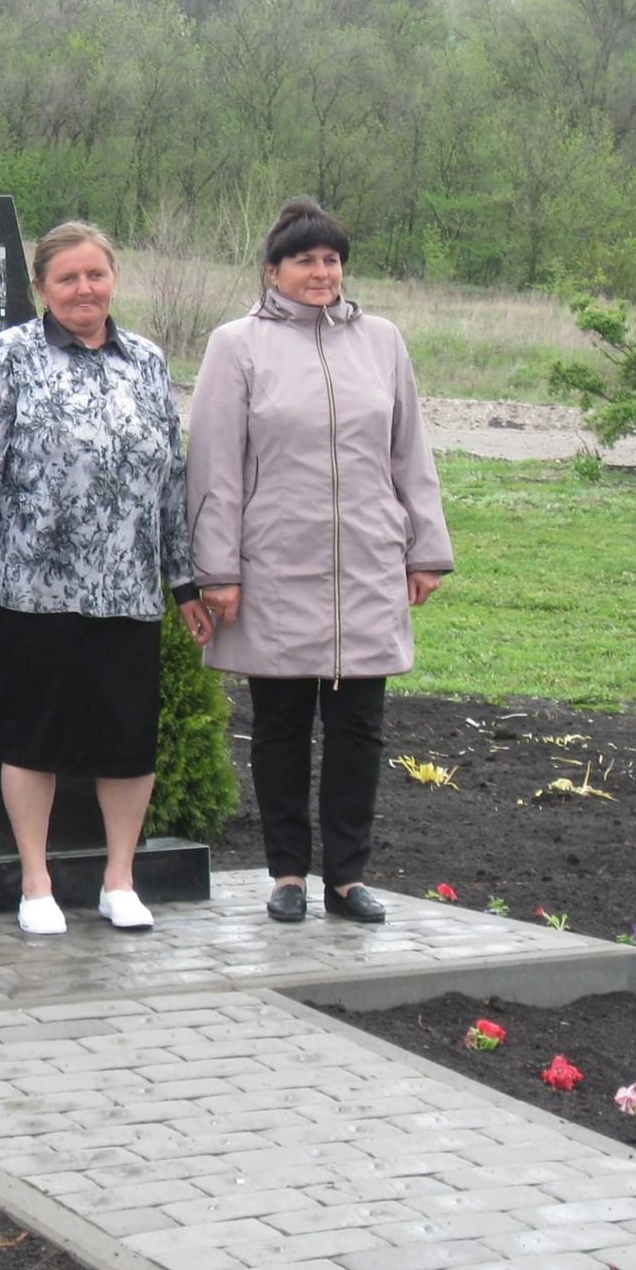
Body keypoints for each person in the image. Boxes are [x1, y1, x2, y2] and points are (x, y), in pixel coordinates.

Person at [187, 198, 453, 926]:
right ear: (273, 270)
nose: (321, 271)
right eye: (305, 259)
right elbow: (215, 466)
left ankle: (346, 875)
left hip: (366, 565)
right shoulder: (236, 345)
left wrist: (425, 547)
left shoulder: (383, 341)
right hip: (274, 565)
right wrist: (219, 570)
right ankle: (287, 874)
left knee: (360, 728)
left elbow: (410, 452)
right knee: (279, 726)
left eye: (332, 258)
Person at [0, 222, 214, 936]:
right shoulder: (9, 355)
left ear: (114, 280)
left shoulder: (149, 362)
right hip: (32, 587)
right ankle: (37, 883)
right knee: (33, 738)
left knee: (126, 742)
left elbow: (171, 479)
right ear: (41, 288)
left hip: (127, 590)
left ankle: (118, 879)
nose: (84, 289)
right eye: (67, 278)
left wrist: (183, 582)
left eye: (95, 275)